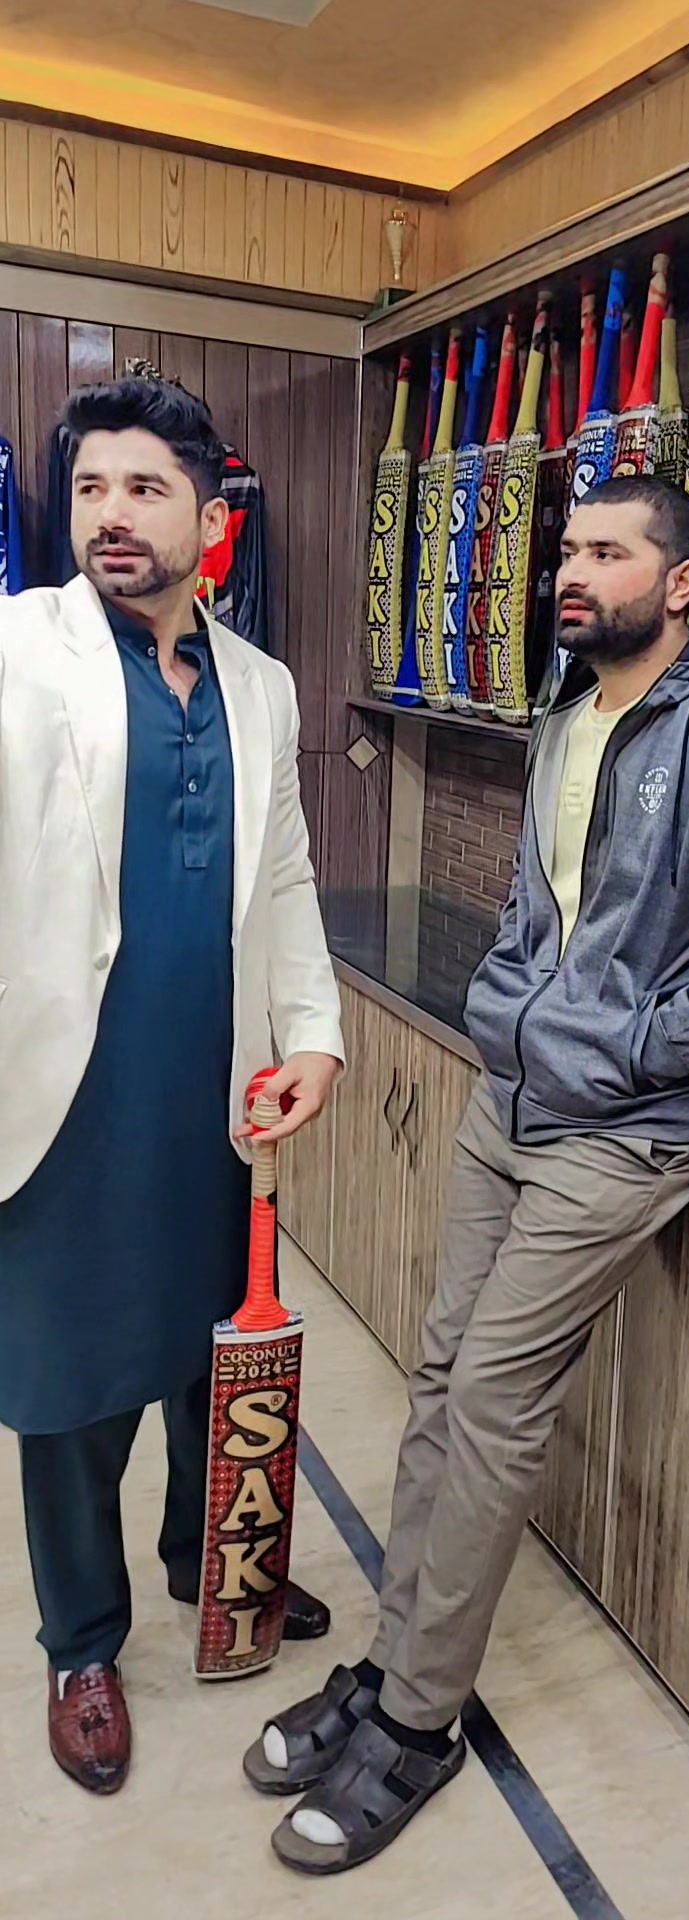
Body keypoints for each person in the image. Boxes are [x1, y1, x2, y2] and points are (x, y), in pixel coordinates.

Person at [246, 474, 689, 1875]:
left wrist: (640, 1040)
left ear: (685, 582)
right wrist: (516, 1001)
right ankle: (390, 1665)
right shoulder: (565, 708)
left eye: (608, 553)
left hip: (635, 1124)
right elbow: (547, 899)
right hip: (513, 1097)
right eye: (568, 549)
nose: (572, 572)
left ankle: (417, 1723)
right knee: (440, 1381)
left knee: (492, 1406)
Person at [0, 377, 344, 1795]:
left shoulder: (260, 684)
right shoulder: (16, 652)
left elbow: (287, 878)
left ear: (211, 517)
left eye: (145, 489)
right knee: (69, 1385)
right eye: (90, 488)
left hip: (217, 1086)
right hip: (62, 1096)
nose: (112, 516)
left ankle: (214, 1561)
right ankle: (82, 1643)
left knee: (217, 1358)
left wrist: (312, 1033)